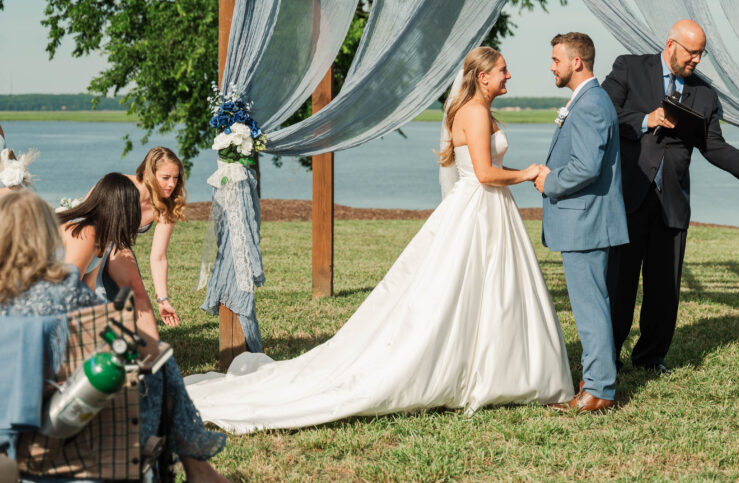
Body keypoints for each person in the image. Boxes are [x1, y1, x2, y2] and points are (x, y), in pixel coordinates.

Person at [183, 47, 573, 432]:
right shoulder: (474, 111)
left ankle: (494, 370)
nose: (509, 75)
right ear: (483, 76)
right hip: (480, 205)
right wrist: (529, 173)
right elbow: (486, 174)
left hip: (487, 209)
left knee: (488, 291)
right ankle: (485, 372)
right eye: (503, 70)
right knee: (469, 290)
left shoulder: (471, 110)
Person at [0, 189, 260, 483]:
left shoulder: (13, 309)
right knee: (158, 361)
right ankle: (200, 474)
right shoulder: (72, 297)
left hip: (26, 451)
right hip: (108, 441)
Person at [601, 19, 739, 373]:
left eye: (702, 53)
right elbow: (602, 114)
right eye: (692, 52)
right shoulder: (629, 68)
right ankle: (606, 357)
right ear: (671, 45)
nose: (697, 60)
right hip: (630, 195)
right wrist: (644, 119)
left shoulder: (705, 94)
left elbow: (713, 146)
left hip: (672, 203)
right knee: (619, 284)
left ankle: (651, 358)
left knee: (664, 287)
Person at [537, 32, 629, 412]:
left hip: (585, 221)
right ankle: (596, 379)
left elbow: (587, 167)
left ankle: (599, 390)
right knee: (594, 303)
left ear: (577, 62)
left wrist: (550, 181)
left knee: (591, 307)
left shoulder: (591, 103)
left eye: (557, 59)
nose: (552, 66)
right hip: (585, 220)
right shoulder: (589, 99)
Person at [58, 173, 164, 351]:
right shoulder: (86, 234)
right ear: (119, 208)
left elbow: (89, 293)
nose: (136, 215)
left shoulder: (103, 239)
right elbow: (66, 293)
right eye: (132, 208)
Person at [118, 147, 187, 327]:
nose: (172, 184)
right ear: (149, 173)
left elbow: (158, 257)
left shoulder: (167, 206)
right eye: (165, 178)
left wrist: (162, 300)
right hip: (89, 244)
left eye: (176, 177)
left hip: (119, 253)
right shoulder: (122, 185)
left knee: (136, 304)